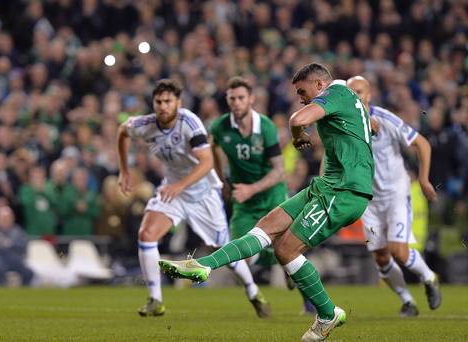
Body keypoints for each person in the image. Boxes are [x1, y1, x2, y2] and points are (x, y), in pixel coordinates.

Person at [160, 63, 374, 341]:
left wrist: (298, 137)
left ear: (319, 84)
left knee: (286, 249)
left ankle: (326, 312)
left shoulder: (336, 93)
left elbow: (298, 120)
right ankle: (203, 265)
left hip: (345, 191)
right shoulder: (345, 98)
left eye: (302, 90)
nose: (300, 97)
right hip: (328, 184)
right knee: (265, 228)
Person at [117, 79, 268, 318]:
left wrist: (180, 185)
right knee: (146, 234)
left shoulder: (189, 122)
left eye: (168, 101)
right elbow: (123, 131)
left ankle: (253, 291)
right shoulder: (146, 124)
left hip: (202, 193)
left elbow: (207, 161)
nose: (163, 106)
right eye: (158, 101)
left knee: (224, 251)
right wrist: (124, 170)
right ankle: (155, 299)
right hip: (173, 191)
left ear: (178, 102)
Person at [211, 76, 314, 314]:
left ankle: (308, 302)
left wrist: (251, 189)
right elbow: (213, 146)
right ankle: (256, 295)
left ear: (251, 100)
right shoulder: (220, 127)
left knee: (290, 251)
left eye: (240, 98)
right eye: (232, 98)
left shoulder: (265, 126)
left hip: (272, 198)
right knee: (236, 258)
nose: (236, 102)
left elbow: (279, 171)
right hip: (244, 204)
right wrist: (221, 179)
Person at [347, 76, 441, 316]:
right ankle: (408, 301)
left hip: (396, 193)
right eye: (350, 93)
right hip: (368, 201)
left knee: (397, 250)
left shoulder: (386, 119)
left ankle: (429, 277)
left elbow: (422, 144)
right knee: (379, 257)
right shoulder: (344, 125)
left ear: (369, 95)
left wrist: (423, 179)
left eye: (359, 92)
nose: (355, 97)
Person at [0, 205, 34, 286]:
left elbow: (23, 247)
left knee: (29, 273)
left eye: (8, 218)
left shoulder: (17, 230)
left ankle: (23, 294)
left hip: (14, 260)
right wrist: (9, 246)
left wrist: (9, 244)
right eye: (3, 218)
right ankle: (2, 293)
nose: (6, 221)